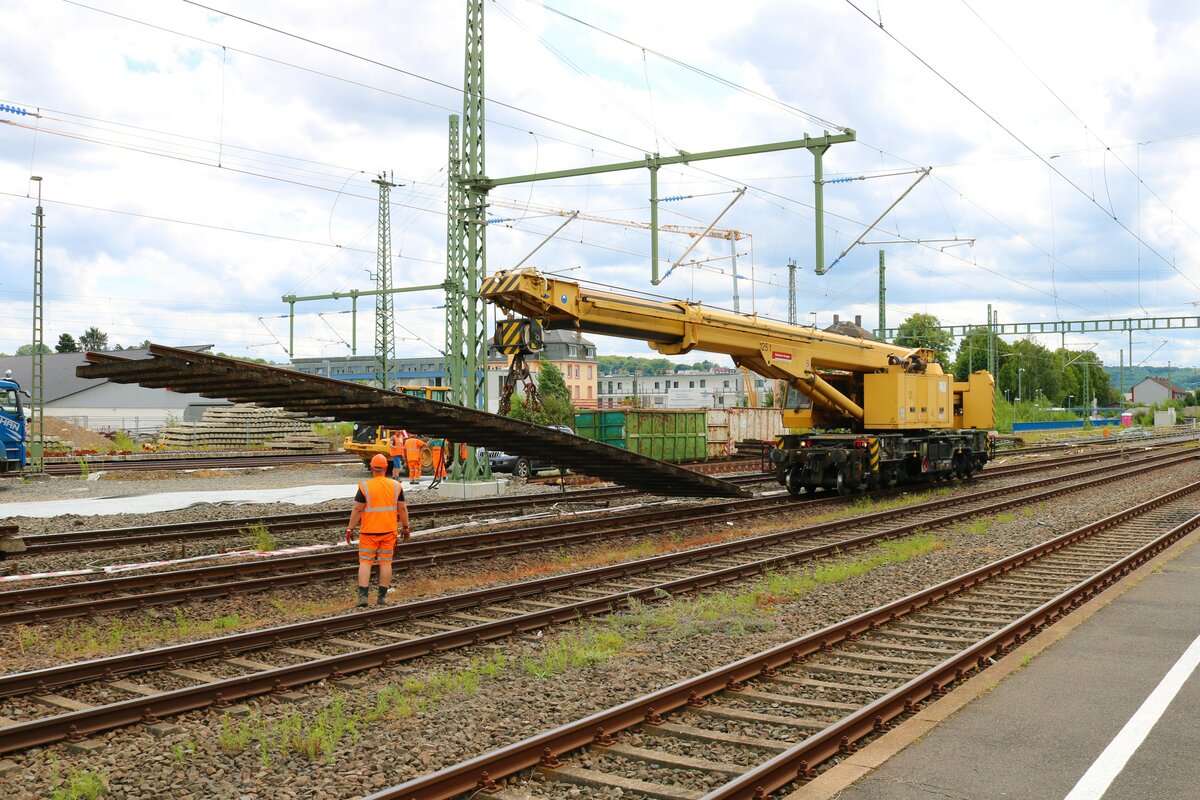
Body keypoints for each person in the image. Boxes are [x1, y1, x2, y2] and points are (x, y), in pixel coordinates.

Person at [345, 453, 410, 607]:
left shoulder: (365, 487)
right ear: (386, 468)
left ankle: (363, 597)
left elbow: (357, 509)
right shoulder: (396, 486)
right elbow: (402, 508)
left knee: (365, 563)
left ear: (372, 468)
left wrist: (350, 529)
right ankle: (382, 597)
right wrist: (405, 527)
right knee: (386, 563)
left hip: (368, 532)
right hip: (388, 532)